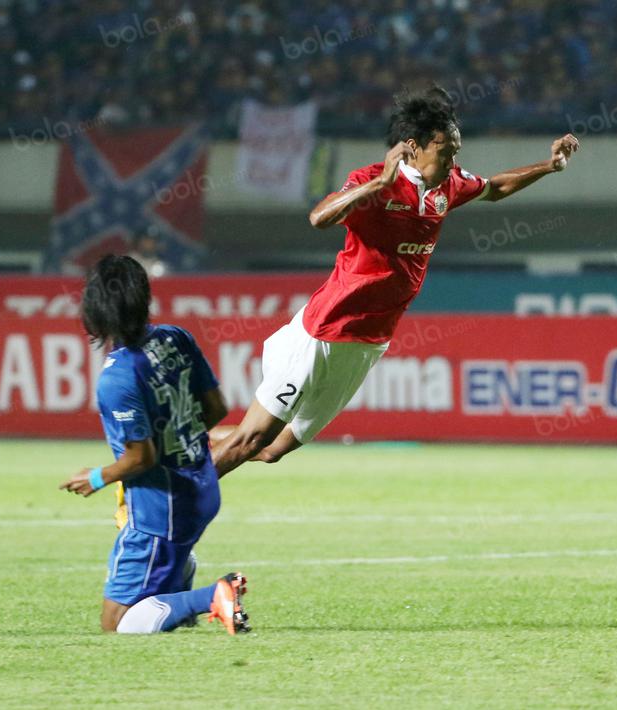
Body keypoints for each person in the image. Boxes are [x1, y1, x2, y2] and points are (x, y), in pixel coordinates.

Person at [209, 86, 579, 475]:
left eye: (456, 152)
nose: (453, 161)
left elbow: (495, 187)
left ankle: (181, 449)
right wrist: (377, 184)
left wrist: (549, 166)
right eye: (445, 152)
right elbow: (319, 217)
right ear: (413, 147)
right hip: (325, 332)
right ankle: (174, 496)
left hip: (368, 344)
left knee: (271, 449)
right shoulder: (372, 181)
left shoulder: (449, 185)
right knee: (253, 439)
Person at [58, 255, 248, 635]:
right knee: (157, 581)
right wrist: (179, 436)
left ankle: (213, 595)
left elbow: (140, 458)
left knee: (117, 624)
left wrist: (95, 478)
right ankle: (180, 578)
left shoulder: (117, 378)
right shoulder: (176, 338)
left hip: (162, 510)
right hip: (201, 484)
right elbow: (216, 409)